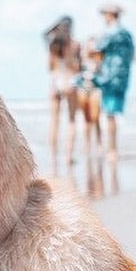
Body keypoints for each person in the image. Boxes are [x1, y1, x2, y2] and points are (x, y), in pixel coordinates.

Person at [94, 3, 135, 161]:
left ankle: (112, 150)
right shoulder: (127, 34)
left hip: (109, 78)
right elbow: (133, 56)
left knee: (110, 114)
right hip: (123, 78)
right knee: (114, 113)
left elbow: (97, 50)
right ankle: (112, 149)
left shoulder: (110, 33)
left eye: (105, 15)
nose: (104, 18)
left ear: (111, 15)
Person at [43, 16, 81, 169]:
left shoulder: (53, 45)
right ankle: (68, 157)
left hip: (56, 81)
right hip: (70, 81)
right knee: (71, 120)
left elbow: (50, 67)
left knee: (54, 121)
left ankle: (53, 157)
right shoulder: (75, 44)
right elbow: (78, 67)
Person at [75, 36, 103, 157]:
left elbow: (101, 72)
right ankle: (87, 146)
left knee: (96, 119)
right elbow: (76, 73)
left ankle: (98, 144)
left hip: (95, 90)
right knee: (86, 120)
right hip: (83, 90)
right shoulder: (81, 59)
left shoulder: (98, 58)